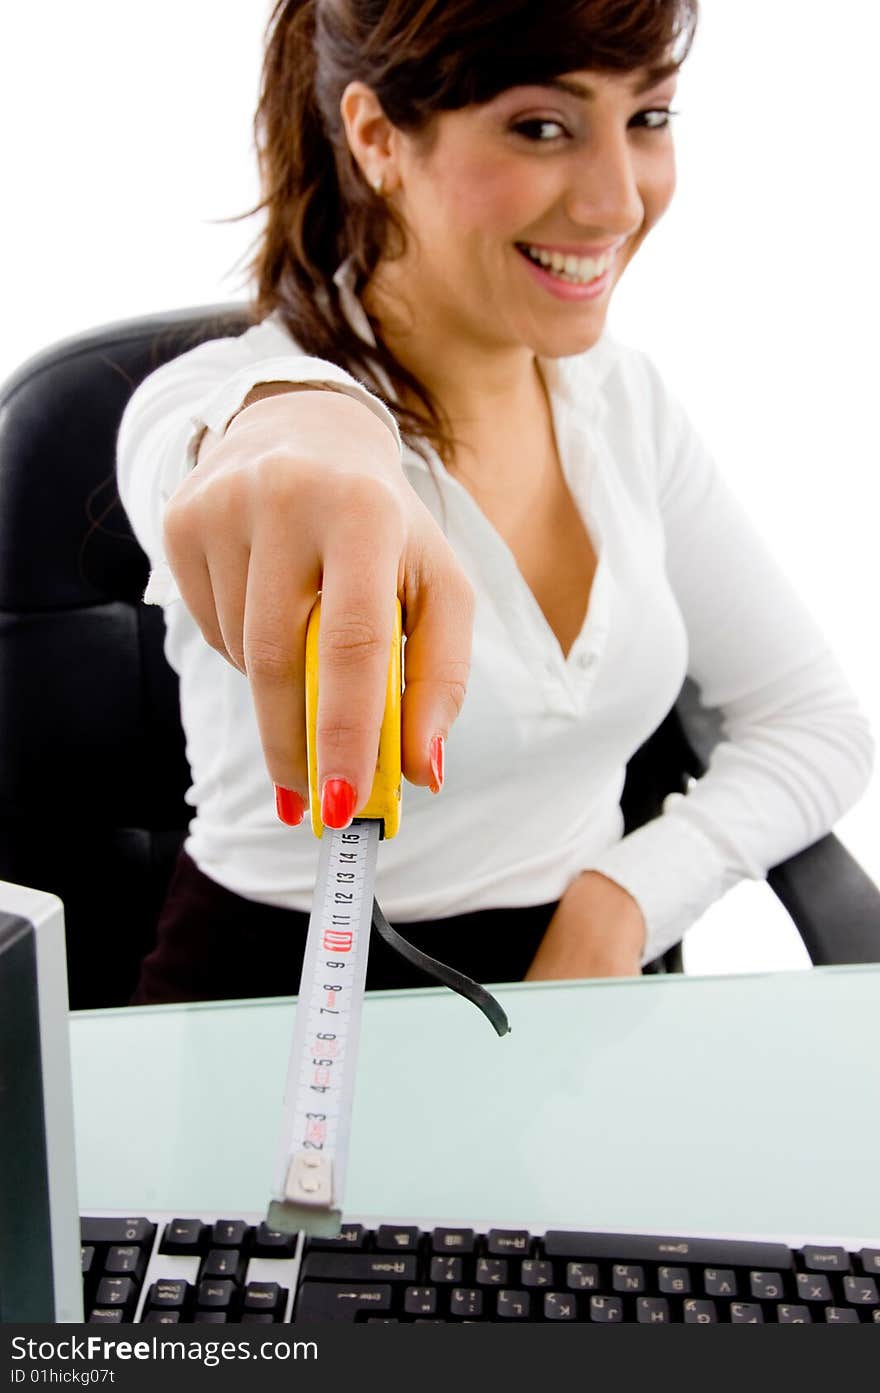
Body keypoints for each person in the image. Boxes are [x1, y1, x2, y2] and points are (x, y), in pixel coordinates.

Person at [117, 0, 873, 1004]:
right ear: (378, 136)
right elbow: (220, 444)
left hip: (579, 1002)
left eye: (647, 118)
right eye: (541, 127)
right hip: (273, 1003)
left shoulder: (622, 401)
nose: (617, 202)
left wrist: (627, 896)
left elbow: (813, 721)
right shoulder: (218, 397)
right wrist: (309, 418)